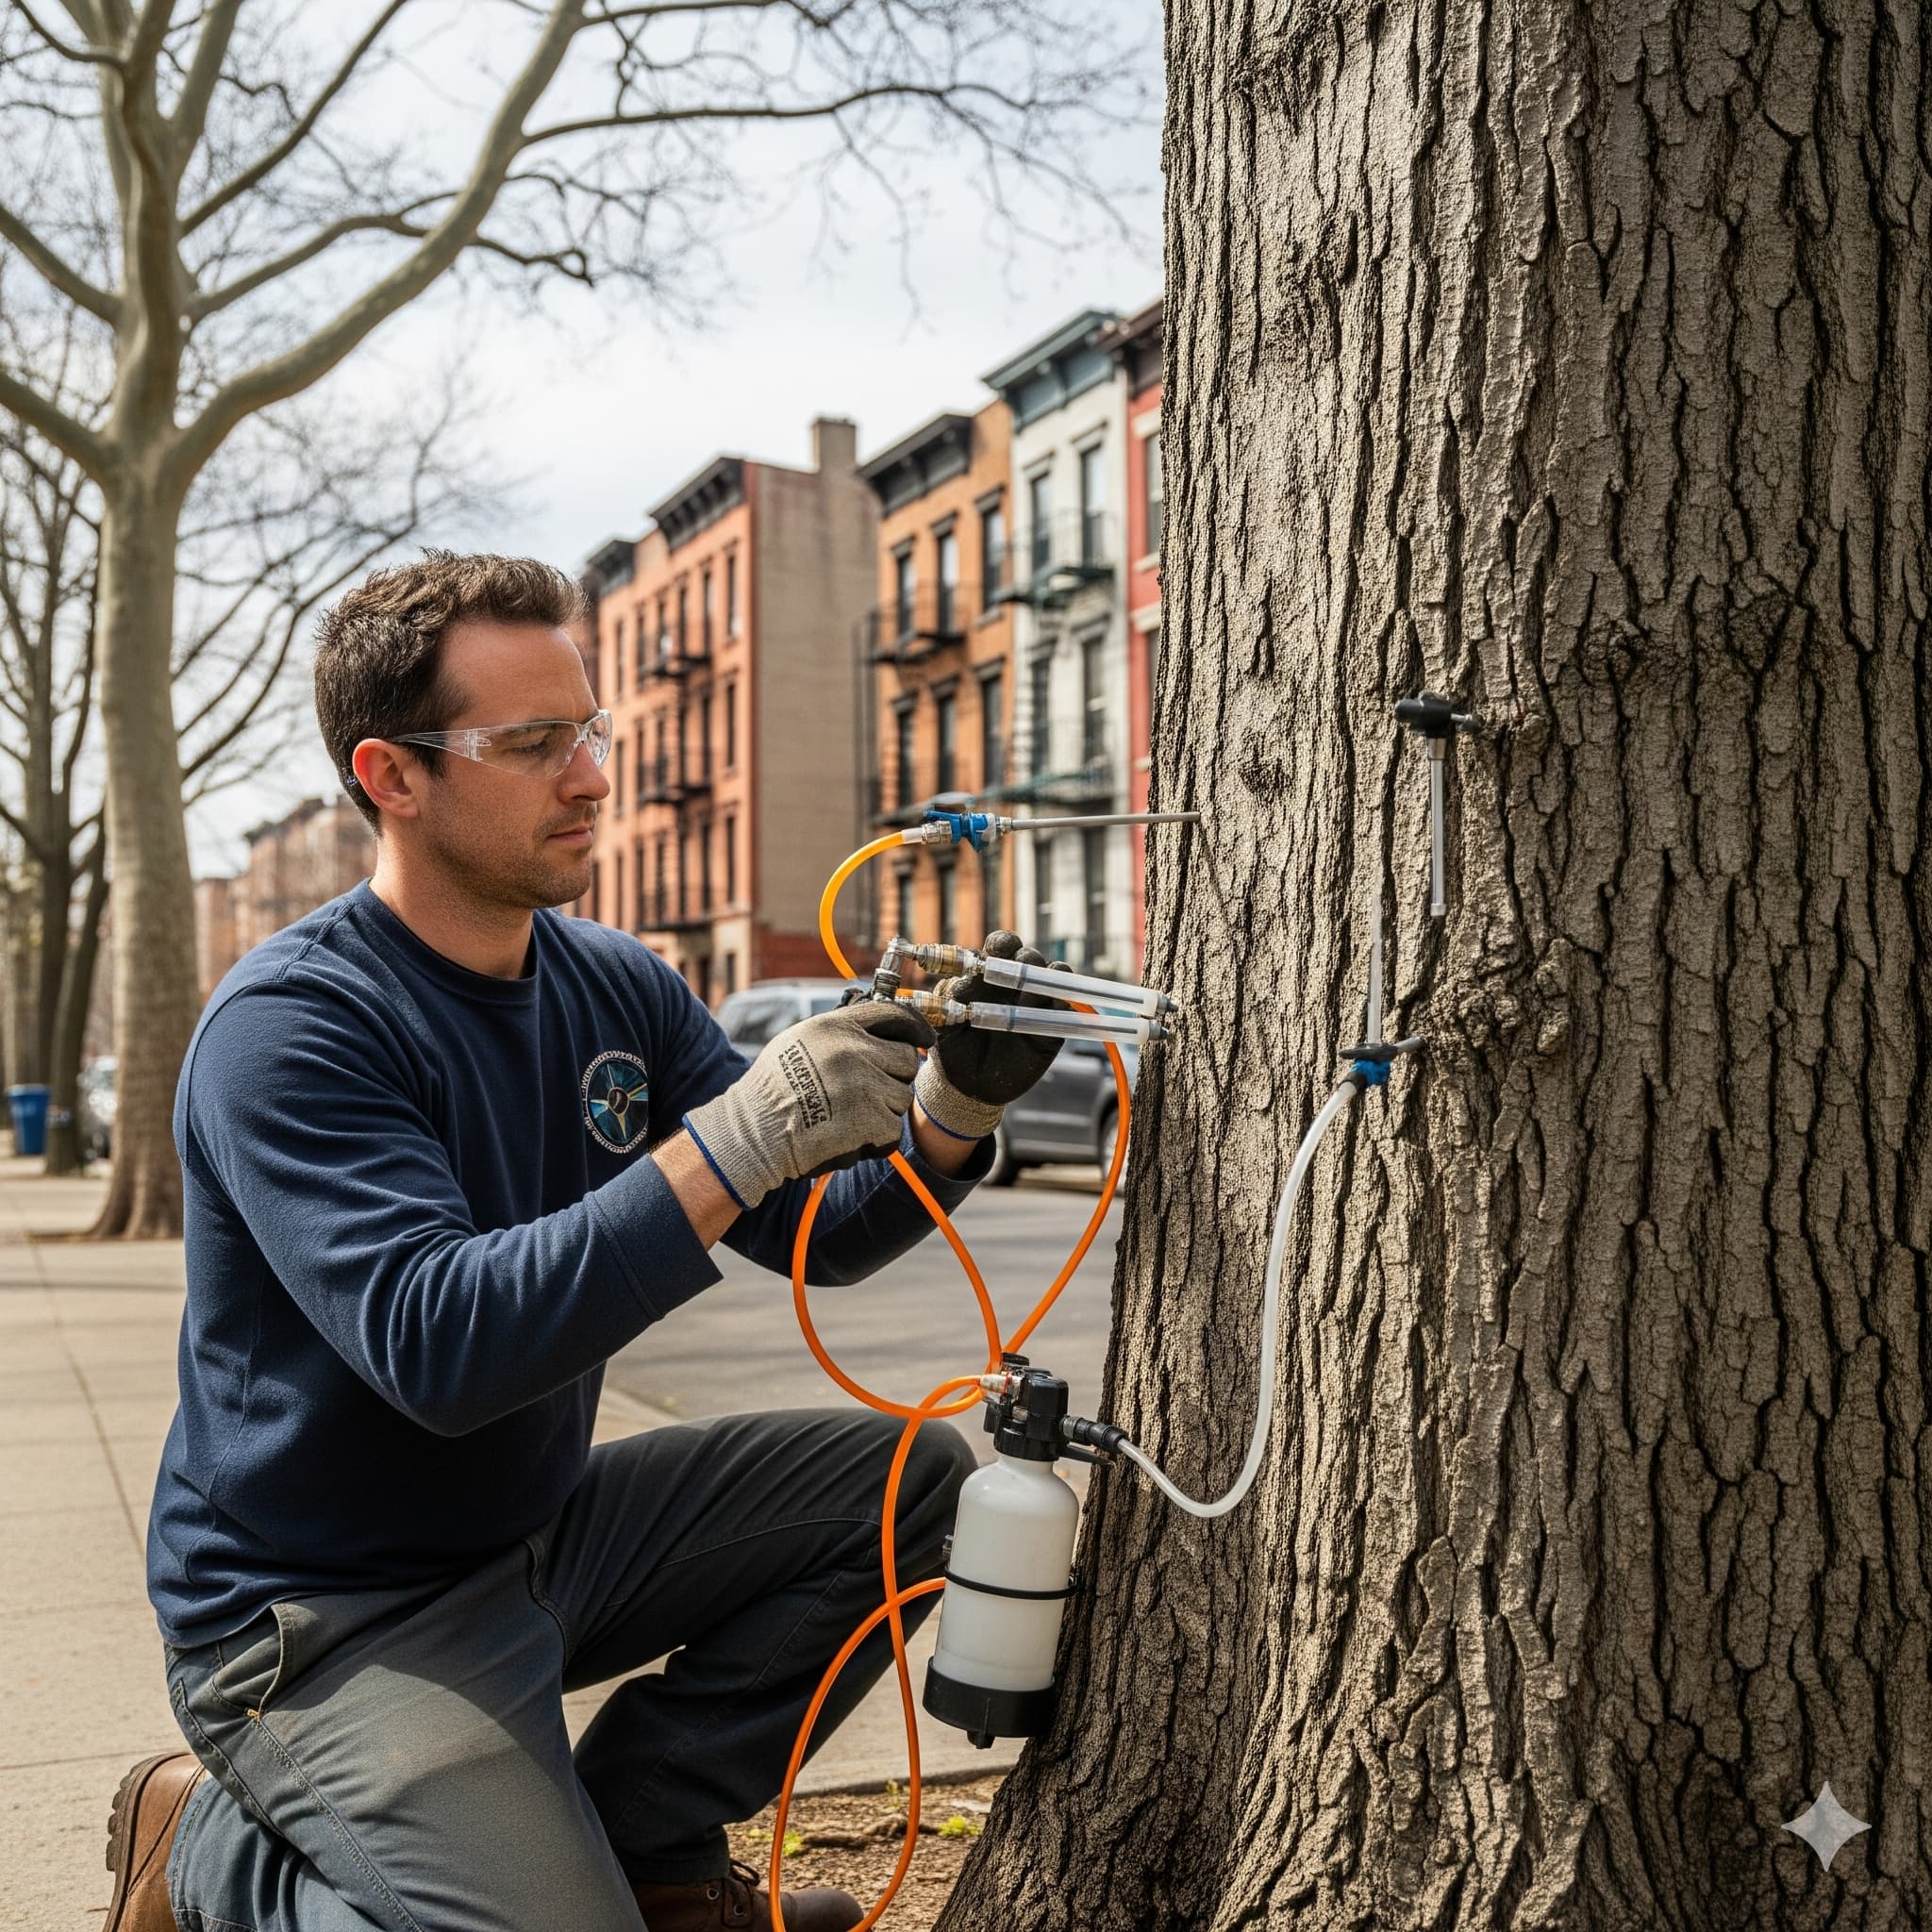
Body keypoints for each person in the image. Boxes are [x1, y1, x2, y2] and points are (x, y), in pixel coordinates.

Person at [104, 554, 1066, 1932]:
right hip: (315, 1619)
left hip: (537, 1538)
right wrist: (732, 1143)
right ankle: (207, 1849)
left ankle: (649, 1850)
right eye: (534, 744)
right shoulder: (291, 1027)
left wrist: (953, 1115)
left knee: (908, 1481)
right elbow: (440, 1347)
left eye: (591, 731)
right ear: (392, 775)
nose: (592, 777)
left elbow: (821, 1240)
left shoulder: (615, 979)